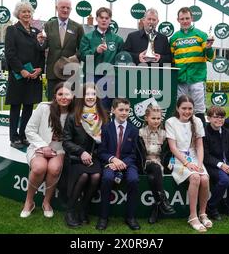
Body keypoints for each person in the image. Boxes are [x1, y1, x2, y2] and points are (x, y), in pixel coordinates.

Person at [21, 82, 74, 218]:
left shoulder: (74, 113)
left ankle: (46, 202)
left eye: (67, 94)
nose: (64, 97)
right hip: (39, 146)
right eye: (60, 94)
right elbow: (30, 130)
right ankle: (29, 202)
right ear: (55, 96)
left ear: (72, 96)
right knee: (39, 168)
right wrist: (43, 146)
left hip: (59, 150)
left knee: (54, 168)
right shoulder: (44, 108)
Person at [62, 83, 108, 227]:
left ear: (97, 96)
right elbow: (66, 142)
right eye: (87, 94)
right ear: (82, 96)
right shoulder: (73, 116)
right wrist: (81, 152)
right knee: (83, 176)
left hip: (95, 157)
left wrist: (95, 155)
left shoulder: (103, 116)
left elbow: (106, 141)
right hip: (77, 157)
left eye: (93, 94)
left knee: (95, 176)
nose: (90, 97)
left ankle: (83, 210)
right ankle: (70, 211)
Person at [165, 94, 212, 232]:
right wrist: (187, 163)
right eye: (184, 108)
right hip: (179, 159)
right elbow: (173, 148)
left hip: (195, 158)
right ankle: (193, 216)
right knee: (195, 177)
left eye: (190, 108)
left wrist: (200, 164)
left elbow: (199, 146)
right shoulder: (171, 122)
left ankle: (203, 213)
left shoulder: (197, 121)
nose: (187, 111)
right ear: (177, 108)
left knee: (204, 178)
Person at [5, 0, 45, 149]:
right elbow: (10, 53)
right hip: (19, 76)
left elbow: (41, 53)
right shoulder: (12, 30)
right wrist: (21, 70)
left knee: (29, 107)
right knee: (16, 107)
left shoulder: (36, 32)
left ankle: (24, 135)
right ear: (18, 14)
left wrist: (40, 69)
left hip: (33, 77)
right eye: (24, 11)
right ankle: (14, 137)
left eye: (29, 11)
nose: (27, 14)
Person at [96, 98, 140, 231]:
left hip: (128, 163)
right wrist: (113, 160)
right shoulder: (105, 128)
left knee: (133, 179)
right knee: (107, 178)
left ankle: (130, 217)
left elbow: (134, 154)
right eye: (121, 110)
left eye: (127, 110)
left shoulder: (133, 130)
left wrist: (121, 163)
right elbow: (101, 151)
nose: (124, 113)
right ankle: (103, 217)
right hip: (109, 163)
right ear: (113, 110)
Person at [170, 7, 215, 124]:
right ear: (178, 20)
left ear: (192, 19)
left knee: (199, 110)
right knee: (181, 109)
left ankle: (201, 138)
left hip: (197, 79)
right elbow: (171, 59)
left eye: (187, 18)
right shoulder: (174, 38)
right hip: (180, 79)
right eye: (182, 19)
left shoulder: (201, 35)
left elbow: (210, 57)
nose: (185, 21)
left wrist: (209, 49)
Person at [38, 0, 84, 99]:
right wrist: (40, 41)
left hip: (70, 72)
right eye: (62, 7)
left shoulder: (77, 27)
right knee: (52, 104)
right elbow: (43, 46)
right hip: (52, 72)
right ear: (56, 8)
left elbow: (83, 49)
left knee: (70, 104)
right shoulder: (48, 25)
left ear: (71, 9)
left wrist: (75, 57)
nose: (65, 10)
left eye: (68, 8)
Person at [79, 7, 124, 111]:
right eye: (102, 17)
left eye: (107, 18)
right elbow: (82, 56)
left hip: (111, 79)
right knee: (92, 108)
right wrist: (96, 51)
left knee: (110, 109)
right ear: (97, 19)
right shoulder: (88, 37)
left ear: (110, 20)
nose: (104, 20)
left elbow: (121, 60)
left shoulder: (118, 39)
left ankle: (108, 127)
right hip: (92, 78)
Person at [139, 104, 176, 224]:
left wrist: (169, 163)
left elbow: (168, 153)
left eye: (158, 118)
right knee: (154, 168)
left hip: (159, 165)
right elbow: (139, 153)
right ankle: (164, 201)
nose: (156, 121)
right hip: (146, 163)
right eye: (153, 118)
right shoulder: (140, 133)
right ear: (146, 118)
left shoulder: (164, 134)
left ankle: (157, 206)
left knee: (153, 177)